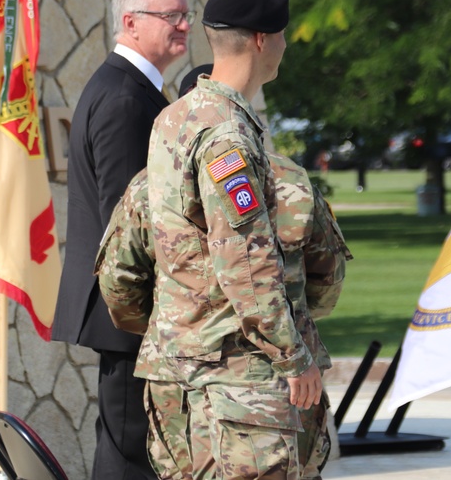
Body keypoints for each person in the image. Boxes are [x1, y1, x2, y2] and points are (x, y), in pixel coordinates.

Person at [95, 60, 353, 478]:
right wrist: (286, 324)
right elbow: (326, 281)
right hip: (265, 377)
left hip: (177, 373)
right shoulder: (293, 181)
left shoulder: (147, 188)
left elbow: (119, 283)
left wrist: (170, 323)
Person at [144, 0, 322, 479]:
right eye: (283, 36)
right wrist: (294, 357)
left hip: (180, 369)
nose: (284, 47)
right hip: (234, 380)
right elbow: (246, 260)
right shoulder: (228, 135)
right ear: (263, 40)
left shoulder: (173, 119)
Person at [53, 0, 193, 479]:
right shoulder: (125, 98)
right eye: (170, 16)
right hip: (131, 312)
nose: (183, 25)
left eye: (185, 15)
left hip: (127, 311)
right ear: (131, 22)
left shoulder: (130, 88)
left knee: (126, 447)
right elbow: (129, 218)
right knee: (130, 451)